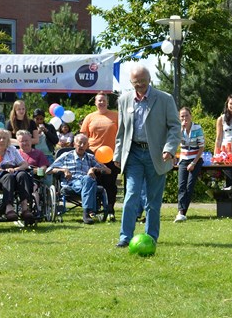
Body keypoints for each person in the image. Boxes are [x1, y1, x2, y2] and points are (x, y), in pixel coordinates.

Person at [114, 64, 180, 247]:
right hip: (133, 153)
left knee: (153, 200)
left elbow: (175, 126)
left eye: (143, 82)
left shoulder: (165, 99)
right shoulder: (124, 100)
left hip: (157, 154)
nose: (140, 86)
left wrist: (170, 148)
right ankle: (125, 237)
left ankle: (151, 237)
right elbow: (121, 131)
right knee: (131, 195)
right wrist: (117, 154)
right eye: (136, 83)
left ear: (149, 79)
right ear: (131, 82)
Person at [47, 132, 110, 225]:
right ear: (74, 144)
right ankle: (89, 211)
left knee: (88, 180)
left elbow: (108, 171)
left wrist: (93, 168)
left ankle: (86, 212)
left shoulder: (90, 157)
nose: (81, 145)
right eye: (79, 143)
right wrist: (64, 170)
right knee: (90, 181)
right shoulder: (66, 156)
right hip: (71, 183)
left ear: (87, 146)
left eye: (84, 144)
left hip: (86, 182)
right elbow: (48, 170)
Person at [0, 128, 34, 222]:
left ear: (8, 140)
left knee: (23, 175)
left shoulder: (12, 149)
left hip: (13, 174)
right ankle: (9, 208)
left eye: (4, 138)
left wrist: (15, 169)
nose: (2, 140)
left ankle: (25, 208)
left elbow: (24, 164)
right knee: (8, 176)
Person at [80, 92, 119, 221]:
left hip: (111, 156)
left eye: (103, 100)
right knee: (94, 182)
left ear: (107, 102)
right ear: (95, 103)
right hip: (92, 156)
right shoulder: (90, 117)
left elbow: (122, 135)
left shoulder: (116, 116)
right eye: (99, 100)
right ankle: (93, 210)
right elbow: (83, 136)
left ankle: (111, 209)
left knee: (110, 184)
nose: (101, 102)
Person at [175, 106, 205, 222]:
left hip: (195, 159)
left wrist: (193, 163)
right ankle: (181, 212)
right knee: (181, 186)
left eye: (186, 115)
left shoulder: (197, 128)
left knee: (189, 186)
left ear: (191, 116)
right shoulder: (179, 129)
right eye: (182, 116)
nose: (184, 118)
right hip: (183, 159)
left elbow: (201, 147)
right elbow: (175, 143)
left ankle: (182, 212)